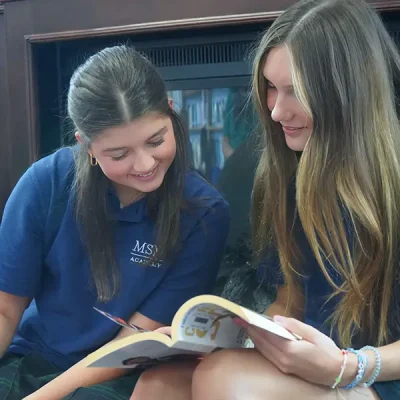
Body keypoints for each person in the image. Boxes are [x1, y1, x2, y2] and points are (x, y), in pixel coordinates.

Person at [130, 0, 400, 399]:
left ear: (348, 92)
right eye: (271, 88)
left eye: (296, 92)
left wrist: (348, 366)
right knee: (160, 383)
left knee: (223, 379)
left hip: (377, 374)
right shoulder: (295, 174)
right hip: (316, 363)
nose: (275, 111)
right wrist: (218, 336)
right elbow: (290, 300)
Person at [0, 45, 230, 400]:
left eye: (156, 141)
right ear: (86, 145)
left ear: (170, 112)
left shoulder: (204, 213)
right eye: (119, 154)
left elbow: (134, 341)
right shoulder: (45, 183)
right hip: (31, 356)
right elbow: (5, 309)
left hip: (119, 371)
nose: (144, 164)